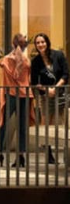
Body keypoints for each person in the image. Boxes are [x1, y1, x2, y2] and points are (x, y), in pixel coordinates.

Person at [0, 32, 32, 168]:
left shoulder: (7, 60)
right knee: (22, 126)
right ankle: (20, 157)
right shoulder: (26, 61)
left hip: (11, 95)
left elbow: (8, 76)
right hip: (25, 95)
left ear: (13, 44)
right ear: (24, 46)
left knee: (2, 124)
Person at [32, 32, 67, 164]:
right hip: (46, 96)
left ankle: (66, 154)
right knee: (46, 123)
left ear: (47, 42)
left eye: (43, 42)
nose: (41, 44)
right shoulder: (35, 61)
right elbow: (35, 81)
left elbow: (65, 74)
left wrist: (55, 88)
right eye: (38, 43)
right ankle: (48, 154)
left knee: (65, 124)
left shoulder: (58, 55)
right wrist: (46, 90)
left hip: (62, 95)